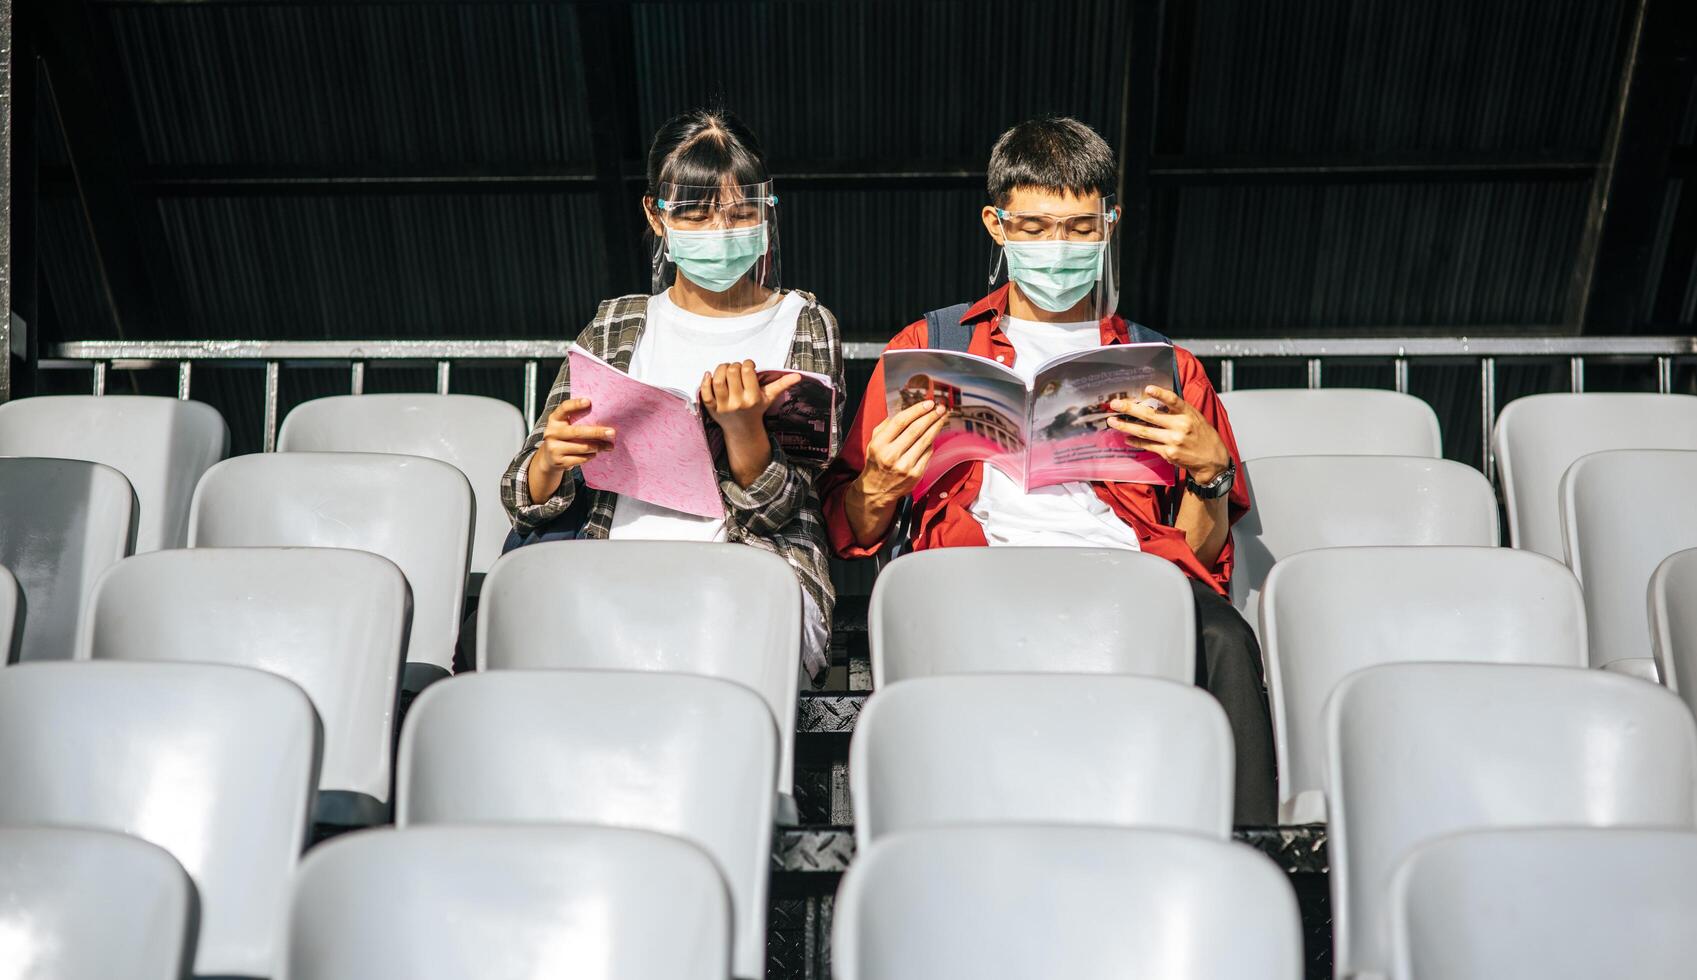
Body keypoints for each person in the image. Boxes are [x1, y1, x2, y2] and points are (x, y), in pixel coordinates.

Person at [819, 116, 1275, 823]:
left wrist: (1210, 474)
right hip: (976, 572)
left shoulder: (1165, 365)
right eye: (1032, 228)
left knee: (1224, 637)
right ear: (994, 225)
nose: (1055, 248)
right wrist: (880, 479)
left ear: (1108, 224)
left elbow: (1201, 553)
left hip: (1124, 575)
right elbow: (852, 529)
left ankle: (1247, 853)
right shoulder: (931, 345)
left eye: (1077, 227)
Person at [500, 108, 843, 685]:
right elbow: (522, 500)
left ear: (767, 214)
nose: (720, 234)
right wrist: (550, 461)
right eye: (695, 215)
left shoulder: (804, 323)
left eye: (740, 215)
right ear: (657, 218)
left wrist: (744, 432)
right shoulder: (616, 325)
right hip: (609, 562)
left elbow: (784, 508)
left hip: (747, 574)